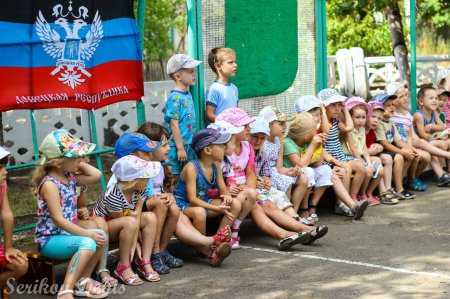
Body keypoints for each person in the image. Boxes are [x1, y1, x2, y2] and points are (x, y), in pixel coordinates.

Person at [139, 123, 233, 268]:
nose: (169, 148)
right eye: (164, 145)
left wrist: (168, 195)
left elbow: (161, 190)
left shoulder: (159, 166)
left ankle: (164, 252)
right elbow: (145, 193)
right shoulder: (137, 167)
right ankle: (210, 243)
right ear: (149, 147)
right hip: (148, 208)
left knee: (176, 213)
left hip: (164, 206)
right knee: (177, 210)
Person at [33, 129, 108, 299]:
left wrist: (77, 161)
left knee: (100, 236)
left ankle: (83, 280)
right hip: (50, 240)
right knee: (88, 242)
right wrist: (87, 233)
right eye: (75, 156)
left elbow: (96, 175)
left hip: (66, 235)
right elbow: (58, 220)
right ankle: (66, 290)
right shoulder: (50, 185)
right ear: (58, 162)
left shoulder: (69, 177)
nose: (81, 160)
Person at [249, 117, 328, 250]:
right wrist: (257, 181)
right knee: (267, 204)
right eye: (255, 137)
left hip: (258, 188)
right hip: (249, 190)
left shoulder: (262, 152)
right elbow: (242, 176)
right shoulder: (246, 152)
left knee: (277, 197)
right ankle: (294, 232)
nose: (258, 141)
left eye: (262, 138)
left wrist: (266, 180)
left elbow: (266, 173)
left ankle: (302, 228)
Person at [113, 131, 182, 275]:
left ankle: (159, 253)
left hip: (133, 217)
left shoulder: (144, 171)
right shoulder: (119, 182)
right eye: (146, 152)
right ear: (132, 156)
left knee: (171, 208)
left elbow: (138, 210)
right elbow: (125, 218)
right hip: (118, 222)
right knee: (159, 204)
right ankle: (152, 255)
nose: (150, 155)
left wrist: (167, 195)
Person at [284, 112, 368, 220]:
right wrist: (313, 145)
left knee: (327, 170)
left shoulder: (306, 142)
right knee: (308, 171)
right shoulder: (288, 143)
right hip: (291, 175)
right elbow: (301, 164)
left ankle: (352, 206)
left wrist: (318, 148)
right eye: (313, 131)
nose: (315, 133)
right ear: (304, 134)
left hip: (304, 174)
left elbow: (318, 163)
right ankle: (300, 212)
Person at [93, 155, 162, 285]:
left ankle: (144, 261)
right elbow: (128, 221)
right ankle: (123, 266)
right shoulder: (113, 195)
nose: (149, 179)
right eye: (145, 177)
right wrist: (135, 246)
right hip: (105, 228)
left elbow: (137, 214)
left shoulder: (140, 190)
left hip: (128, 223)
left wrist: (137, 241)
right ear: (133, 180)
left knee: (150, 218)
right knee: (129, 222)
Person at [258, 106, 312, 224]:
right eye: (280, 124)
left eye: (283, 124)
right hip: (265, 176)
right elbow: (261, 168)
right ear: (269, 125)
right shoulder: (261, 143)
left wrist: (290, 171)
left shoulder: (279, 141)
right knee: (286, 182)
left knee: (303, 178)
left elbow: (279, 168)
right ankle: (286, 220)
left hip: (275, 173)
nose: (283, 127)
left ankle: (294, 214)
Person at [216, 108, 259, 249]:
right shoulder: (222, 150)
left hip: (244, 188)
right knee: (247, 200)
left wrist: (247, 187)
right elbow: (221, 177)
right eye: (245, 126)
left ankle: (234, 230)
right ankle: (224, 236)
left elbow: (251, 172)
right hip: (227, 191)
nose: (249, 129)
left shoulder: (247, 146)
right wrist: (229, 189)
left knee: (253, 194)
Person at [319, 89, 368, 203]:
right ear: (324, 106)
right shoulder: (322, 121)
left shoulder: (336, 121)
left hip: (340, 155)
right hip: (330, 159)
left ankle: (352, 197)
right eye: (333, 105)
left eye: (339, 105)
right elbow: (326, 130)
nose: (337, 108)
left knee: (361, 167)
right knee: (347, 168)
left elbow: (349, 128)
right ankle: (341, 203)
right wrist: (322, 111)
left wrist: (345, 108)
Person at [164, 54, 202, 184]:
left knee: (188, 176)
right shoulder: (175, 98)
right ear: (178, 76)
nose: (194, 74)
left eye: (194, 71)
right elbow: (174, 125)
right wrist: (180, 148)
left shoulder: (187, 93)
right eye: (190, 71)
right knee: (175, 178)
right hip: (177, 147)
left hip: (189, 145)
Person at [374, 93, 416, 200]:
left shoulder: (391, 123)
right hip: (381, 152)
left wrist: (410, 149)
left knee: (410, 154)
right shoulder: (379, 124)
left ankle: (396, 184)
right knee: (400, 157)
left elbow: (398, 141)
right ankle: (399, 189)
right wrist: (402, 152)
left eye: (393, 104)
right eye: (388, 106)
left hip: (389, 151)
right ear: (379, 109)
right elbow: (385, 144)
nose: (392, 107)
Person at [344, 97, 384, 206]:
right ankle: (355, 195)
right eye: (357, 117)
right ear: (350, 117)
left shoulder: (361, 129)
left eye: (363, 117)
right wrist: (364, 163)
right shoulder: (349, 130)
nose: (361, 120)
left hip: (359, 157)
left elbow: (364, 148)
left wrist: (369, 162)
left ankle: (367, 193)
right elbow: (353, 150)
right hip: (349, 157)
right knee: (366, 169)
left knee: (380, 170)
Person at [0, 147, 28, 288]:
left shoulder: (2, 185)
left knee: (20, 265)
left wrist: (8, 247)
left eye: (5, 167)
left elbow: (7, 214)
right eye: (0, 168)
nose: (5, 171)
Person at [413, 86, 450, 185]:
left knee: (444, 142)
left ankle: (444, 173)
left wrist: (433, 126)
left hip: (432, 140)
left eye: (436, 98)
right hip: (422, 143)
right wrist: (435, 136)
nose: (435, 101)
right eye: (431, 98)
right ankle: (441, 175)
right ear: (421, 102)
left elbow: (443, 125)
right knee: (433, 145)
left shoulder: (434, 112)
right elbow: (422, 135)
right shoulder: (418, 116)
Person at [366, 101, 400, 205]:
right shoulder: (361, 130)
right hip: (362, 157)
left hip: (369, 156)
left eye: (379, 119)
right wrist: (370, 151)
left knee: (387, 158)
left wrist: (379, 147)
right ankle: (382, 192)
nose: (376, 120)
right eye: (373, 116)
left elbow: (377, 145)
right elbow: (357, 149)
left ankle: (388, 188)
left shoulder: (372, 131)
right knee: (378, 160)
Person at [205, 47, 238, 123]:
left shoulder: (234, 88)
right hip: (220, 132)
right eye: (230, 62)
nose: (235, 65)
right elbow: (209, 114)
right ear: (218, 66)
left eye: (235, 62)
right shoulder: (214, 89)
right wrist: (224, 122)